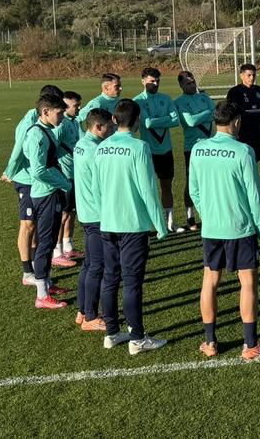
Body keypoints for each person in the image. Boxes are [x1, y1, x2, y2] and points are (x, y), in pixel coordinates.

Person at [189, 102, 260, 360]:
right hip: (240, 227)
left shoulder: (198, 149)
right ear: (236, 122)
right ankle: (250, 345)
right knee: (247, 282)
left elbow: (193, 190)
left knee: (210, 282)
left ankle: (210, 343)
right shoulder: (243, 151)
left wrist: (207, 215)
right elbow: (253, 193)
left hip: (212, 228)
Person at [95, 99, 170, 354]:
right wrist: (160, 224)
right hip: (133, 224)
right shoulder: (139, 147)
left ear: (114, 120)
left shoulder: (102, 147)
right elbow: (148, 189)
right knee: (132, 282)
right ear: (137, 121)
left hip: (107, 221)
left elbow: (96, 186)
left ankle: (112, 332)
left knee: (110, 278)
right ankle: (137, 338)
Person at [1, 84, 63, 287]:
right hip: (26, 179)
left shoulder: (44, 123)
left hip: (38, 180)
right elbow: (18, 149)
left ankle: (40, 272)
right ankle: (28, 272)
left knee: (38, 228)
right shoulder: (29, 121)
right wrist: (9, 172)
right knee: (27, 226)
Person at [22, 94, 74, 309]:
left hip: (51, 191)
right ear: (45, 112)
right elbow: (38, 171)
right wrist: (64, 182)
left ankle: (48, 284)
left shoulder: (46, 132)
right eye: (59, 113)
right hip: (45, 194)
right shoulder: (37, 135)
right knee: (45, 244)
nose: (62, 117)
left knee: (50, 241)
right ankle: (42, 296)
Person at [71, 107, 115, 331]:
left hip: (86, 212)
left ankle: (82, 310)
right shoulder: (95, 150)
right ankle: (89, 316)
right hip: (97, 214)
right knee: (97, 266)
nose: (113, 128)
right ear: (98, 127)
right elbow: (102, 185)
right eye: (109, 125)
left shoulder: (81, 145)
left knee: (89, 264)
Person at [133, 67, 181, 233]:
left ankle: (170, 222)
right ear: (143, 81)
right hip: (148, 152)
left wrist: (158, 120)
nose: (155, 84)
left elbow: (176, 121)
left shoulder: (166, 99)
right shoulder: (138, 101)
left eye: (158, 81)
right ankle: (148, 223)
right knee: (147, 188)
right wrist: (166, 119)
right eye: (152, 81)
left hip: (166, 150)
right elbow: (147, 124)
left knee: (167, 186)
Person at [174, 70, 215, 231]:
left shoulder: (204, 97)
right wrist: (206, 113)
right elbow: (190, 122)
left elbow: (216, 114)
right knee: (192, 183)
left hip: (211, 145)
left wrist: (201, 114)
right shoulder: (178, 102)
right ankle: (190, 217)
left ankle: (209, 213)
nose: (192, 86)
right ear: (181, 85)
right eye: (188, 83)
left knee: (210, 181)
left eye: (193, 83)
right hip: (193, 147)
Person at [53, 91, 83, 265]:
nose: (78, 108)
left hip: (75, 173)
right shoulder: (61, 125)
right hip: (64, 176)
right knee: (63, 214)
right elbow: (52, 145)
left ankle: (68, 246)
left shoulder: (73, 122)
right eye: (75, 105)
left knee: (71, 212)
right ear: (65, 106)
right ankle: (57, 252)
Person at [226, 63, 260, 165]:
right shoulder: (234, 92)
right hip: (241, 135)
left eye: (254, 75)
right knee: (241, 163)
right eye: (249, 75)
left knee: (254, 163)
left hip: (257, 135)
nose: (252, 78)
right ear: (241, 75)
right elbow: (230, 116)